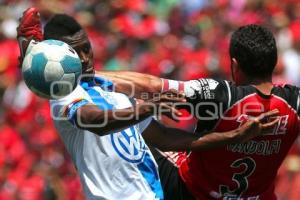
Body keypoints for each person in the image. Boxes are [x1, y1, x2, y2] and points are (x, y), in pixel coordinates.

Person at [17, 8, 279, 200]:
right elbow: (96, 121)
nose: (86, 58)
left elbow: (167, 138)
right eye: (77, 52)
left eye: (88, 48)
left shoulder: (113, 93)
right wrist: (148, 105)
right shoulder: (65, 92)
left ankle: (31, 49)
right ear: (61, 58)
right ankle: (32, 50)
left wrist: (234, 135)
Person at [98, 25, 300, 200]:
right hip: (257, 196)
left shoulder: (221, 95)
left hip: (189, 191)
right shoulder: (294, 102)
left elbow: (150, 85)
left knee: (130, 123)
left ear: (234, 65)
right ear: (274, 63)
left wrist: (89, 74)